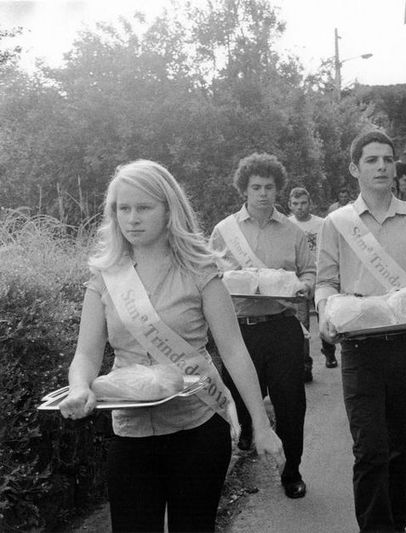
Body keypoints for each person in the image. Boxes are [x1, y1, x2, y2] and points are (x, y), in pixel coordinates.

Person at [58, 160, 285, 532]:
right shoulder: (104, 276)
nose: (131, 218)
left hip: (197, 429)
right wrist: (81, 387)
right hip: (130, 433)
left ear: (168, 210)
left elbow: (233, 350)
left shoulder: (201, 270)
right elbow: (86, 353)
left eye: (144, 207)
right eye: (123, 208)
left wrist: (261, 425)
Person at [316, 131, 406, 532]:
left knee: (401, 448)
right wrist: (326, 313)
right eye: (372, 160)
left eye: (387, 160)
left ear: (395, 168)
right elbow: (325, 283)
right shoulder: (336, 224)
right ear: (355, 168)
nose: (381, 167)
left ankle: (398, 524)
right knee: (370, 450)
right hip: (360, 349)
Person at [210, 153, 314, 499]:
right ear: (244, 189)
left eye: (269, 187)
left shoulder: (293, 231)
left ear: (277, 189)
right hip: (239, 330)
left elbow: (309, 272)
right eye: (256, 187)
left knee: (291, 404)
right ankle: (240, 444)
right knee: (232, 401)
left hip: (282, 327)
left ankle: (291, 472)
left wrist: (305, 286)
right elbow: (209, 276)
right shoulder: (224, 231)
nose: (263, 194)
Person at [287, 186, 338, 371]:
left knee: (326, 315)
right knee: (302, 322)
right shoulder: (286, 225)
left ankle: (329, 350)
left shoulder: (322, 223)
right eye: (295, 204)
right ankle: (305, 364)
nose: (300, 207)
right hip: (299, 279)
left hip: (322, 276)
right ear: (290, 205)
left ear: (310, 203)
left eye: (303, 203)